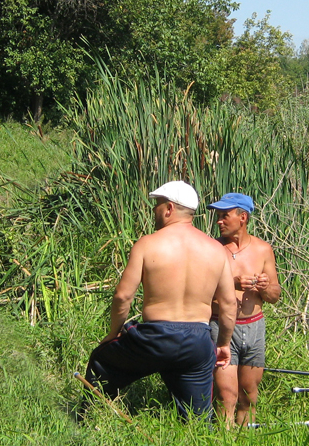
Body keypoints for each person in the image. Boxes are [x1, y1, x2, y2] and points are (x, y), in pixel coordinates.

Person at [84, 181, 237, 421]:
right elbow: (229, 304)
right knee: (197, 419)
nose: (154, 210)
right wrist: (224, 344)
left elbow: (123, 296)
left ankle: (87, 421)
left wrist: (114, 333)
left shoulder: (148, 243)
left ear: (169, 209)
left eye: (157, 205)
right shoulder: (216, 250)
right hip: (198, 340)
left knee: (101, 360)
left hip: (155, 337)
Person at [208, 192, 281, 426]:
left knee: (248, 395)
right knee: (226, 395)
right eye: (218, 216)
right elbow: (200, 293)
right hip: (222, 327)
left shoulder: (263, 250)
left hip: (254, 328)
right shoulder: (212, 249)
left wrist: (265, 287)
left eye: (224, 216)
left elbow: (275, 296)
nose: (219, 221)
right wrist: (232, 283)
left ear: (243, 217)